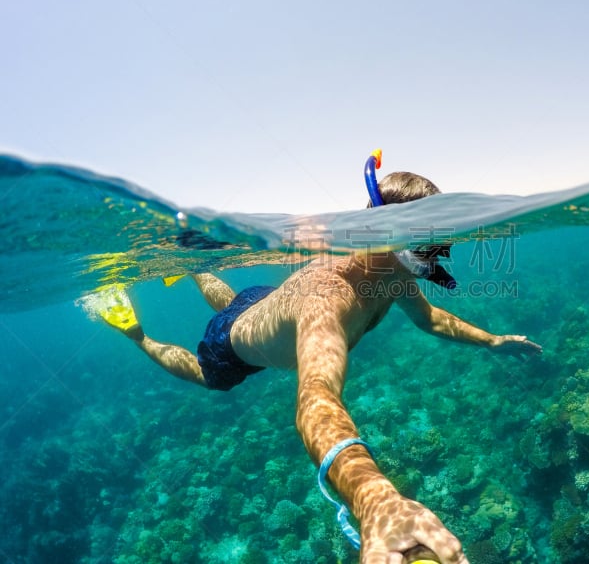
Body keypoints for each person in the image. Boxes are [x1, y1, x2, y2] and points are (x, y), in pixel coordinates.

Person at [103, 153, 542, 564]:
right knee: (206, 374)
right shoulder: (328, 303)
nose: (439, 258)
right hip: (232, 348)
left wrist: (492, 341)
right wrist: (376, 501)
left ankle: (197, 268)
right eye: (431, 247)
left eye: (441, 245)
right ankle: (136, 333)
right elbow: (315, 401)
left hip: (265, 303)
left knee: (236, 301)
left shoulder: (389, 272)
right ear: (394, 239)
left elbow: (429, 319)